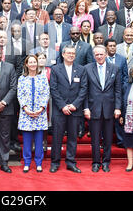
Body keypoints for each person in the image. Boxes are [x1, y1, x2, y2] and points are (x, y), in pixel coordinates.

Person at [82, 45, 122, 173]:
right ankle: (95, 162)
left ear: (106, 54)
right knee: (94, 139)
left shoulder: (115, 68)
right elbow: (85, 91)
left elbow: (118, 90)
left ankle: (106, 162)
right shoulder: (87, 69)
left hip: (110, 109)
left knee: (108, 139)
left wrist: (117, 108)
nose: (99, 57)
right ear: (94, 56)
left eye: (101, 54)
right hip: (93, 109)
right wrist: (86, 108)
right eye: (97, 55)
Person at [49, 45, 86, 173]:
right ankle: (55, 162)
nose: (71, 55)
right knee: (57, 137)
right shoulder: (55, 69)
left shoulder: (81, 69)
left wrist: (74, 105)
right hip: (60, 110)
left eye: (73, 53)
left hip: (75, 110)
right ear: (63, 54)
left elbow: (83, 89)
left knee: (73, 137)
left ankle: (71, 162)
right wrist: (63, 106)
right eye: (68, 53)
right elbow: (53, 89)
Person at [17, 55, 49, 173]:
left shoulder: (43, 78)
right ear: (26, 64)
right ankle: (27, 162)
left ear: (37, 63)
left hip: (40, 114)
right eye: (30, 62)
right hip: (26, 114)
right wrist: (26, 109)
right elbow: (20, 95)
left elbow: (46, 93)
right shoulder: (22, 79)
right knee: (27, 141)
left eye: (34, 62)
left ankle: (39, 163)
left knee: (39, 141)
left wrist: (40, 109)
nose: (32, 64)